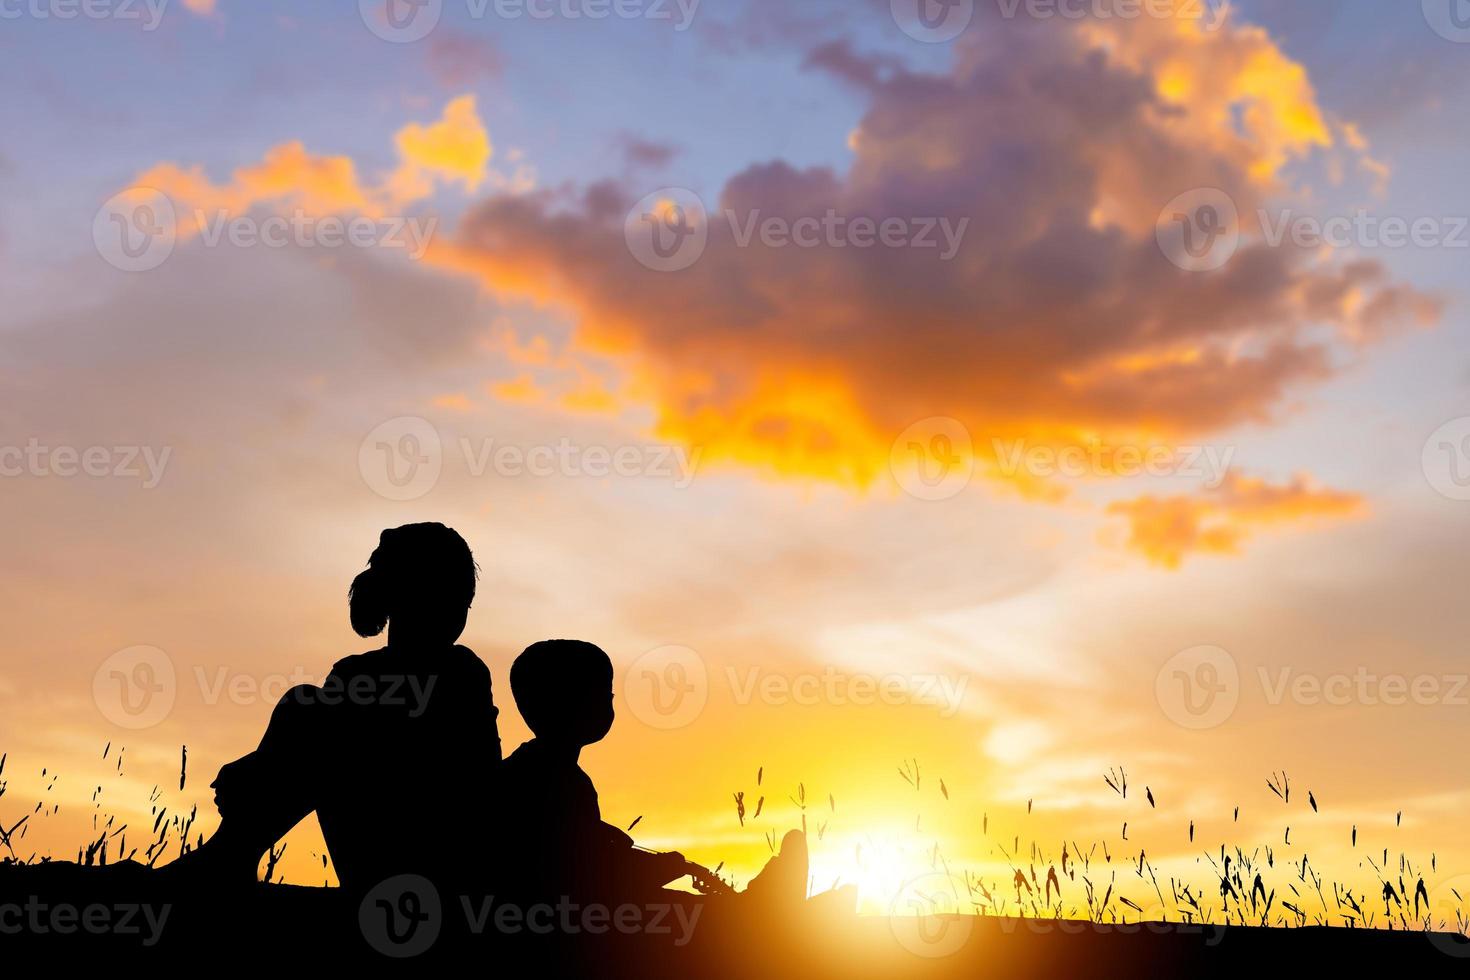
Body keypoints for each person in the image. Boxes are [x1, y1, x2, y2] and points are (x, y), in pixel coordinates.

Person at [167, 523, 502, 890]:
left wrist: (255, 769)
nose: (458, 612)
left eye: (461, 599)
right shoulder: (358, 673)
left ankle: (226, 855)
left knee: (304, 707)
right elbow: (317, 751)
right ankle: (228, 854)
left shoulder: (459, 672)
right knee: (303, 705)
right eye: (452, 597)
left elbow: (473, 785)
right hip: (377, 852)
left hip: (435, 856)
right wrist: (255, 769)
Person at [496, 639, 806, 907]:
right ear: (568, 704)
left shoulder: (541, 771)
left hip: (567, 908)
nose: (608, 705)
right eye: (603, 697)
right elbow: (591, 872)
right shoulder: (556, 781)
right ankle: (756, 909)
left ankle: (752, 906)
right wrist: (666, 866)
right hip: (568, 915)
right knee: (679, 910)